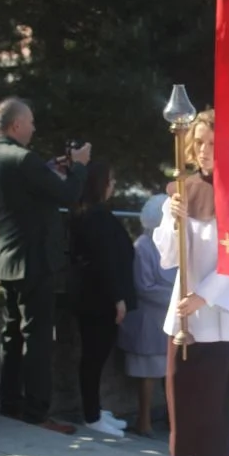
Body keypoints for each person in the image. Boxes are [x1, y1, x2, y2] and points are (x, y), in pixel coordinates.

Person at [154, 109, 229, 456]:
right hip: (189, 314)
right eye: (199, 142)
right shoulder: (183, 187)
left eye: (213, 143)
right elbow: (167, 255)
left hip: (227, 310)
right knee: (188, 388)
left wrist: (206, 294)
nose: (205, 149)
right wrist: (173, 220)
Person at [0, 96, 90, 434]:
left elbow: (28, 190)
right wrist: (81, 165)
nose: (34, 127)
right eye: (30, 121)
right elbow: (69, 196)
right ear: (15, 125)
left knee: (12, 334)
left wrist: (48, 170)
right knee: (38, 337)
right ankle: (37, 411)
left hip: (9, 258)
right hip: (35, 260)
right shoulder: (22, 158)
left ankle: (10, 403)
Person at [68, 160, 136, 437]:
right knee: (94, 357)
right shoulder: (95, 216)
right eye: (110, 181)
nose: (113, 186)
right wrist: (117, 298)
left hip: (94, 296)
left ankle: (95, 409)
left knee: (96, 357)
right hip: (99, 299)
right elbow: (104, 261)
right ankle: (92, 415)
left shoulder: (88, 213)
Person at [117, 193, 175, 437]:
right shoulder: (143, 246)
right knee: (148, 374)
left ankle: (173, 421)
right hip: (148, 319)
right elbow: (144, 286)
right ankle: (144, 421)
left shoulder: (171, 244)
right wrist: (175, 296)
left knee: (169, 372)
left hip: (165, 318)